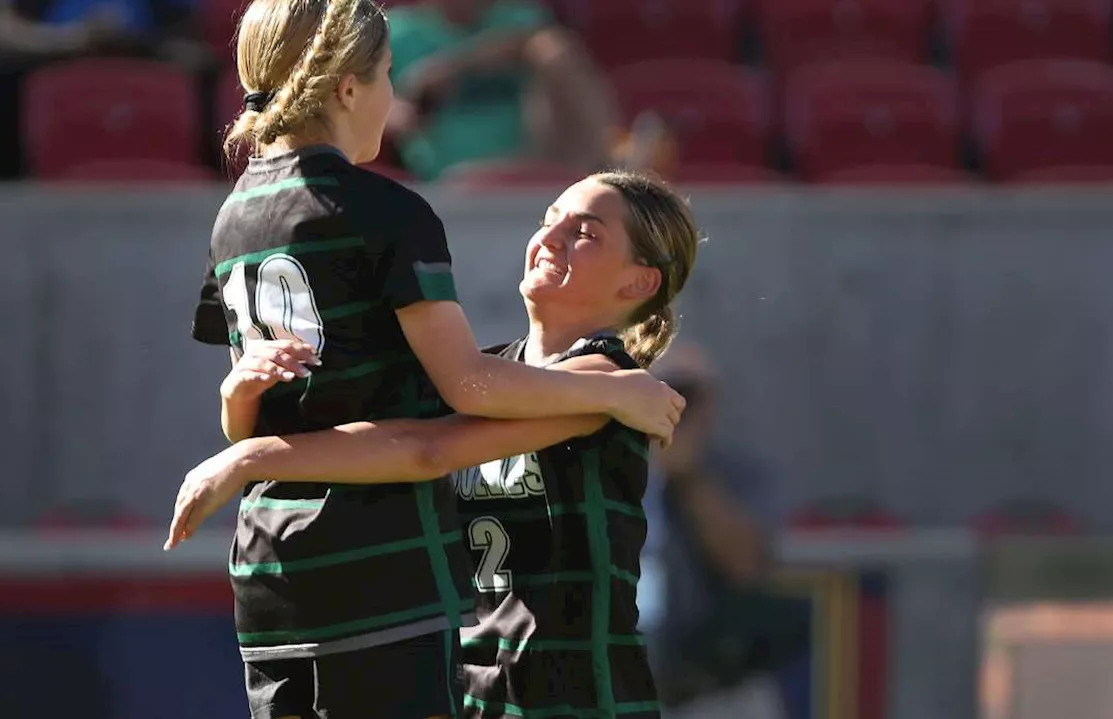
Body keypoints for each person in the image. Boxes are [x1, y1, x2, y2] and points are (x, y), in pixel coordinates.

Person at [185, 1, 684, 717]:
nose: (396, 98)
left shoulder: (234, 215)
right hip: (390, 596)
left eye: (585, 232)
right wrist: (245, 445)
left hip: (277, 582)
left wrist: (246, 444)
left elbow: (352, 434)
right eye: (390, 75)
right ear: (349, 88)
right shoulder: (390, 222)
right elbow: (442, 418)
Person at [639, 345, 792, 719]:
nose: (674, 403)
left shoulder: (736, 475)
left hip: (715, 684)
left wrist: (689, 477)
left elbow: (745, 566)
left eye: (687, 393)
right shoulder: (602, 471)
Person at [384, 0, 618, 180]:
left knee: (557, 53)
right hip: (446, 179)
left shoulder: (517, 16)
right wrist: (402, 110)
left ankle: (604, 164)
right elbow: (366, 101)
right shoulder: (398, 31)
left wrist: (454, 69)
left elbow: (541, 46)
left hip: (535, 162)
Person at [0, 0, 211, 179]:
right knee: (3, 80)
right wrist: (77, 37)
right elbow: (2, 29)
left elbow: (188, 36)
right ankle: (4, 187)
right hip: (57, 52)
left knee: (211, 74)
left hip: (144, 52)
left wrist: (134, 39)